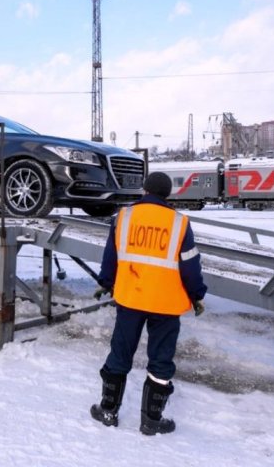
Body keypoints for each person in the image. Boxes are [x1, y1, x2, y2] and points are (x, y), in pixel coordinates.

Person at [90, 171, 207, 435]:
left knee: (120, 352)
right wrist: (197, 295)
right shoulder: (179, 223)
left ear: (144, 190)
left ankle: (108, 410)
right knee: (161, 359)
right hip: (166, 303)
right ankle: (151, 421)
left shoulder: (124, 216)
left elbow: (112, 254)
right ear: (167, 195)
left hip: (131, 297)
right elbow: (190, 265)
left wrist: (105, 282)